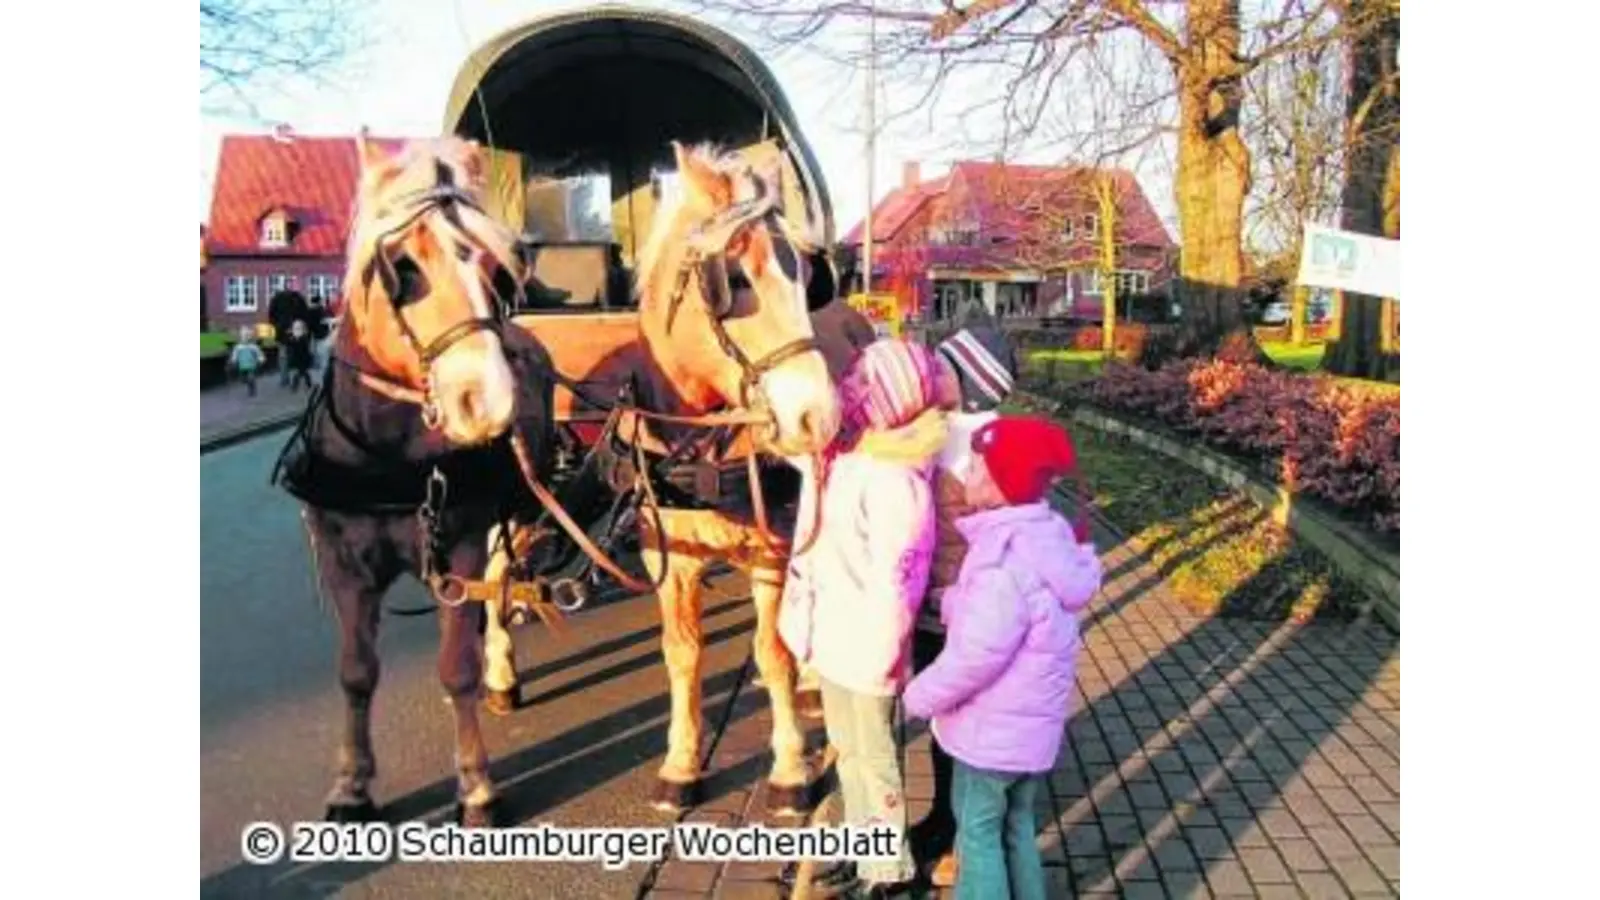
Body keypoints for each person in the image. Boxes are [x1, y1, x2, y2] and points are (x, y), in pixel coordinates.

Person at [902, 415, 1102, 900]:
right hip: (1030, 736)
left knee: (977, 833)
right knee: (1017, 825)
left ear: (997, 485)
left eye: (974, 469)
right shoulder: (1044, 539)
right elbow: (1012, 615)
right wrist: (951, 602)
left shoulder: (1000, 562)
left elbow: (976, 655)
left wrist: (918, 696)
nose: (964, 476)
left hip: (987, 738)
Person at [777, 337, 947, 899]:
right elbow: (793, 448)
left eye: (861, 383)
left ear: (890, 399)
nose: (847, 390)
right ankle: (860, 848)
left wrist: (885, 657)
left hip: (867, 647)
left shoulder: (899, 482)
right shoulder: (847, 454)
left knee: (876, 761)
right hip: (833, 636)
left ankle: (889, 870)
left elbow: (899, 584)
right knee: (848, 753)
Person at [912, 324, 1020, 886]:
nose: (932, 374)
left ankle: (964, 835)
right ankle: (941, 814)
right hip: (934, 606)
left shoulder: (990, 447)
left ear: (973, 384)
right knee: (942, 724)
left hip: (967, 613)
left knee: (968, 724)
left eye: (944, 368)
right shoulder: (938, 430)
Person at [266, 289, 309, 387]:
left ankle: (285, 379)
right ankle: (298, 375)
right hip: (296, 331)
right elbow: (305, 315)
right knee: (297, 353)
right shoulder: (298, 298)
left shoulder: (277, 298)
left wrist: (276, 326)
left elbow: (271, 315)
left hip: (283, 331)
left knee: (283, 355)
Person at [227, 326, 266, 397]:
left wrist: (261, 359)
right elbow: (235, 355)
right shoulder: (238, 347)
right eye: (243, 336)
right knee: (244, 379)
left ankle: (252, 389)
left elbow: (258, 353)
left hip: (251, 365)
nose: (245, 338)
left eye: (247, 336)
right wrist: (233, 361)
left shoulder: (253, 346)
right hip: (242, 366)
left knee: (251, 378)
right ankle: (248, 383)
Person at [283, 319, 315, 392]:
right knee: (297, 373)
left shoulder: (304, 339)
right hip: (296, 359)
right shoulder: (292, 339)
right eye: (295, 329)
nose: (296, 331)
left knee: (303, 373)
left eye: (298, 329)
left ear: (303, 330)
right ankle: (296, 386)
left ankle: (306, 385)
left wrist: (294, 339)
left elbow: (304, 349)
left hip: (303, 359)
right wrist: (290, 337)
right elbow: (288, 344)